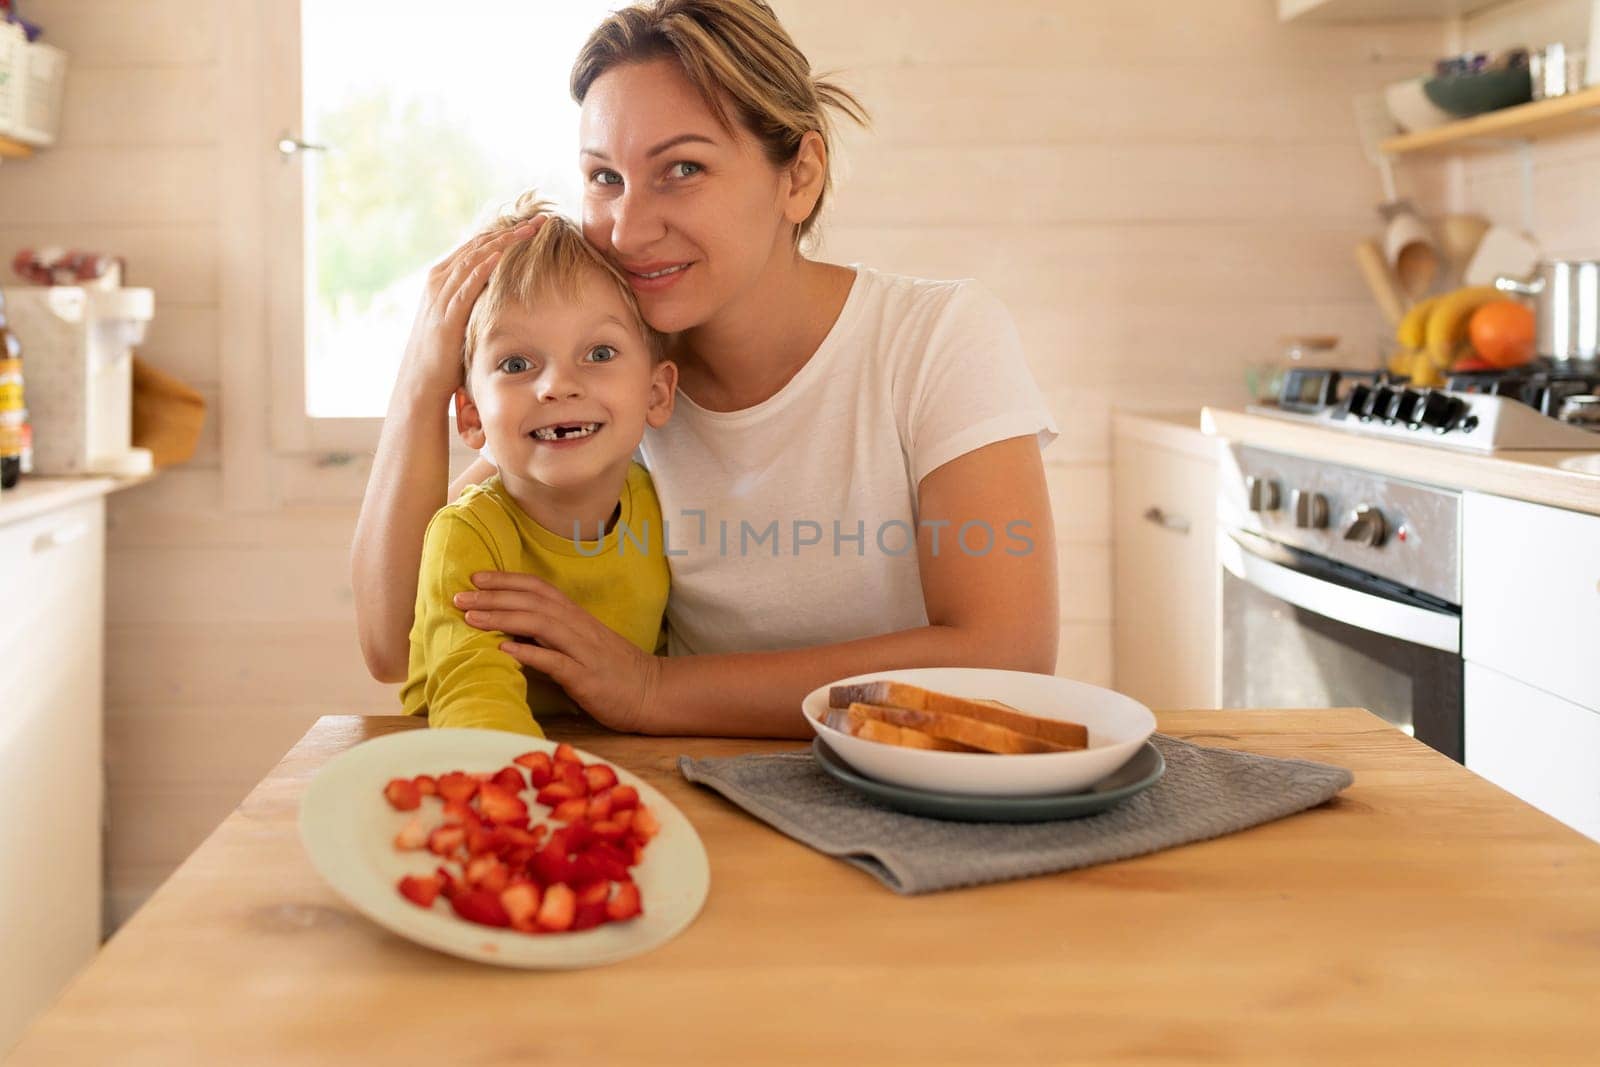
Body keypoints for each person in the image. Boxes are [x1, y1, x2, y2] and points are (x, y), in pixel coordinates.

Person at [353, 0, 1060, 740]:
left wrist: (655, 688)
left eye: (682, 169)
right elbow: (394, 641)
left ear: (801, 176)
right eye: (604, 178)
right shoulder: (614, 387)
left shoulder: (936, 340)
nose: (628, 228)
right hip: (697, 792)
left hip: (909, 795)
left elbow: (1004, 653)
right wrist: (419, 381)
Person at [396, 197, 677, 736]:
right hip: (482, 765)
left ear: (657, 392)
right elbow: (475, 697)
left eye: (599, 353)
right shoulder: (466, 534)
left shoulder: (661, 507)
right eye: (517, 364)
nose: (558, 385)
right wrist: (529, 787)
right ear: (473, 417)